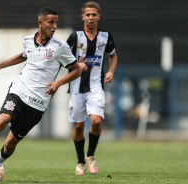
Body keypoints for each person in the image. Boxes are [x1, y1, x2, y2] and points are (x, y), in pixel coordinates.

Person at [0, 6, 81, 176]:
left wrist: (58, 83)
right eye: (51, 22)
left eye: (56, 22)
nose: (54, 26)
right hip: (19, 90)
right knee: (2, 120)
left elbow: (76, 70)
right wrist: (0, 65)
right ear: (40, 23)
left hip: (38, 103)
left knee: (11, 142)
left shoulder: (60, 47)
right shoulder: (28, 40)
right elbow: (24, 55)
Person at [66, 1, 118, 175]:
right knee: (79, 127)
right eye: (87, 15)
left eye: (94, 15)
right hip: (76, 87)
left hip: (96, 86)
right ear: (82, 17)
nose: (90, 18)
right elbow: (64, 58)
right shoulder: (75, 37)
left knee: (96, 120)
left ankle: (91, 155)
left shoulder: (105, 36)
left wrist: (110, 71)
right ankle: (80, 161)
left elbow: (113, 56)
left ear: (99, 16)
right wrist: (75, 66)